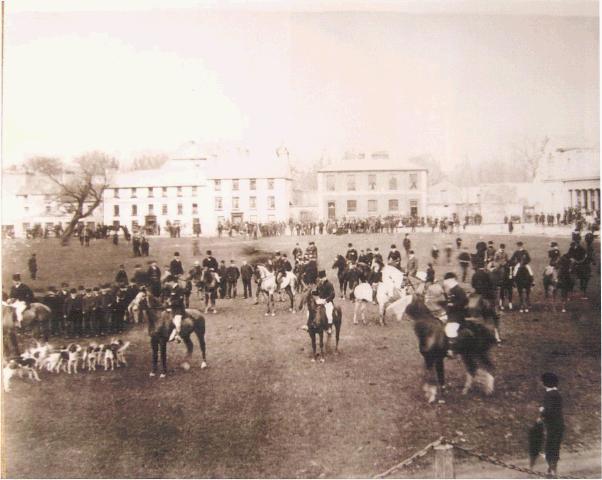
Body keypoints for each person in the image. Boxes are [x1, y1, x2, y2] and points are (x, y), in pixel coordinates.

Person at [530, 373, 564, 477]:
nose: (541, 383)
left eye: (542, 381)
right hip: (559, 424)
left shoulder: (549, 395)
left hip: (552, 425)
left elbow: (549, 410)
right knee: (555, 446)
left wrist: (542, 411)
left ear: (545, 383)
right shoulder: (557, 394)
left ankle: (552, 470)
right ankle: (552, 469)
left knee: (550, 447)